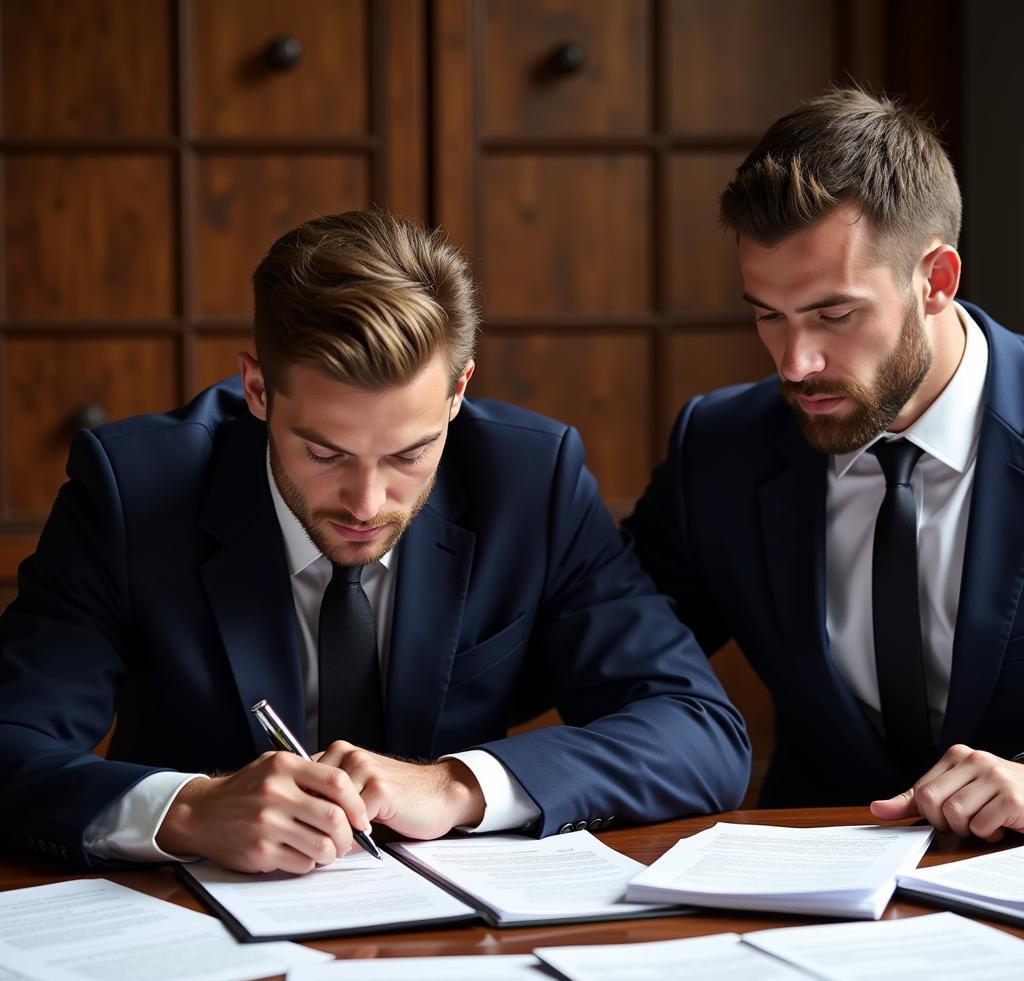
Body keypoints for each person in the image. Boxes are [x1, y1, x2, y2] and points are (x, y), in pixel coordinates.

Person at [0, 209, 750, 872]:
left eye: (408, 455)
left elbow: (697, 730)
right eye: (325, 453)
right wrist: (190, 810)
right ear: (257, 390)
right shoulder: (133, 492)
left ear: (458, 393)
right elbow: (11, 741)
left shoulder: (531, 483)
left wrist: (456, 785)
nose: (367, 503)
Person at [624, 88, 1024, 841]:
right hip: (802, 902)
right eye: (768, 314)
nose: (795, 362)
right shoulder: (721, 450)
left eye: (834, 314)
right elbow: (601, 640)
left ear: (936, 281)